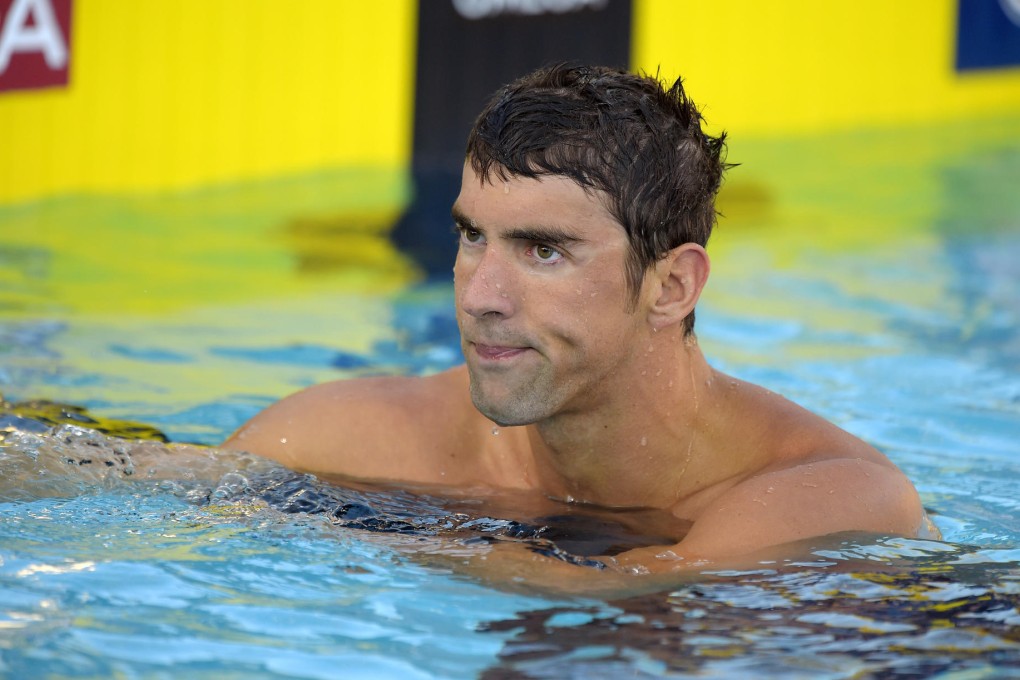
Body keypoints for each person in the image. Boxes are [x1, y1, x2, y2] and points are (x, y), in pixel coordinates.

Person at [223, 64, 935, 578]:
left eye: (543, 251)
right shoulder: (354, 436)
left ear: (673, 286)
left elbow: (628, 596)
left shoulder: (834, 500)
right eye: (473, 237)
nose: (480, 297)